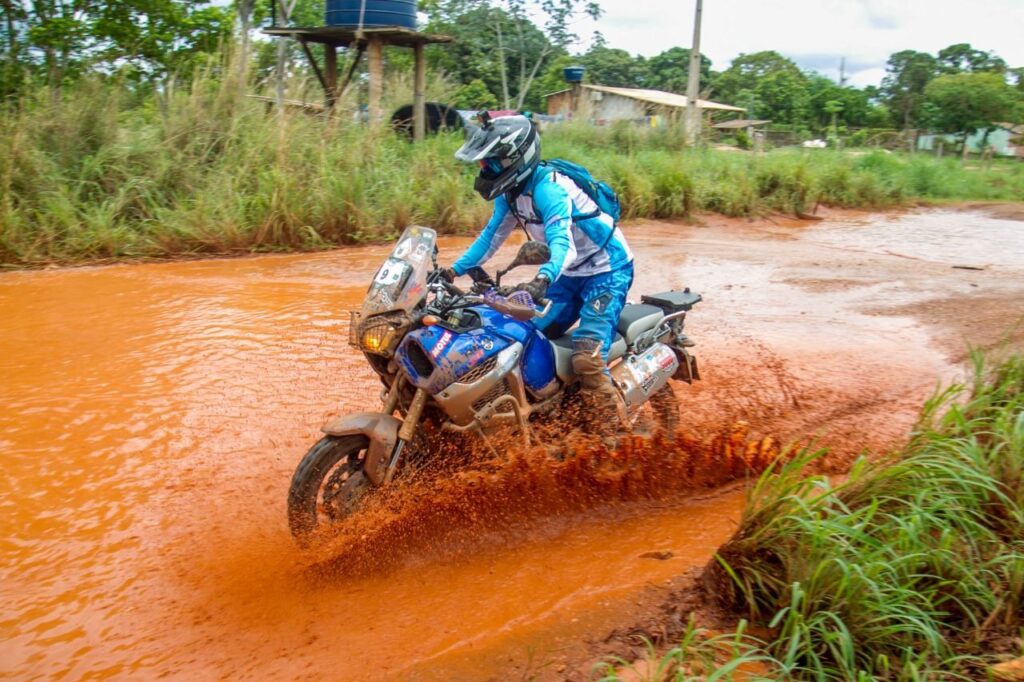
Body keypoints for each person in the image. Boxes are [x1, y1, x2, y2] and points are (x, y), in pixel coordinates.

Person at [440, 113, 634, 433]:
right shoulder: (511, 194)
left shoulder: (549, 190)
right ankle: (543, 415)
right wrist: (451, 271)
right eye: (483, 164)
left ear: (517, 158)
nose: (485, 170)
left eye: (491, 163)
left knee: (586, 356)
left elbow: (563, 246)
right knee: (520, 336)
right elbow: (490, 238)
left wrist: (541, 279)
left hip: (606, 271)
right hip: (568, 275)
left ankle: (612, 438)